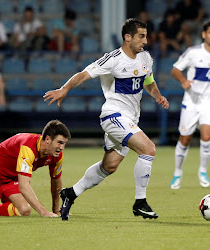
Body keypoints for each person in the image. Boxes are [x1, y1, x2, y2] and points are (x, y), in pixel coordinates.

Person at [44, 18, 169, 220]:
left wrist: (158, 96)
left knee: (109, 166)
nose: (145, 40)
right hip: (113, 115)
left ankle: (71, 192)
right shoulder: (113, 59)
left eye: (146, 36)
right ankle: (140, 202)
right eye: (141, 36)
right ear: (127, 37)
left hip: (130, 119)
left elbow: (149, 82)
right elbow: (83, 75)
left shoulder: (146, 58)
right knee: (148, 149)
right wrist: (64, 89)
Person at [170, 21, 210, 190]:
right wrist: (183, 80)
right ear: (204, 34)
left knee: (206, 137)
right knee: (185, 139)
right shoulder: (193, 53)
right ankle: (177, 172)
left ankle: (202, 171)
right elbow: (175, 69)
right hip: (191, 102)